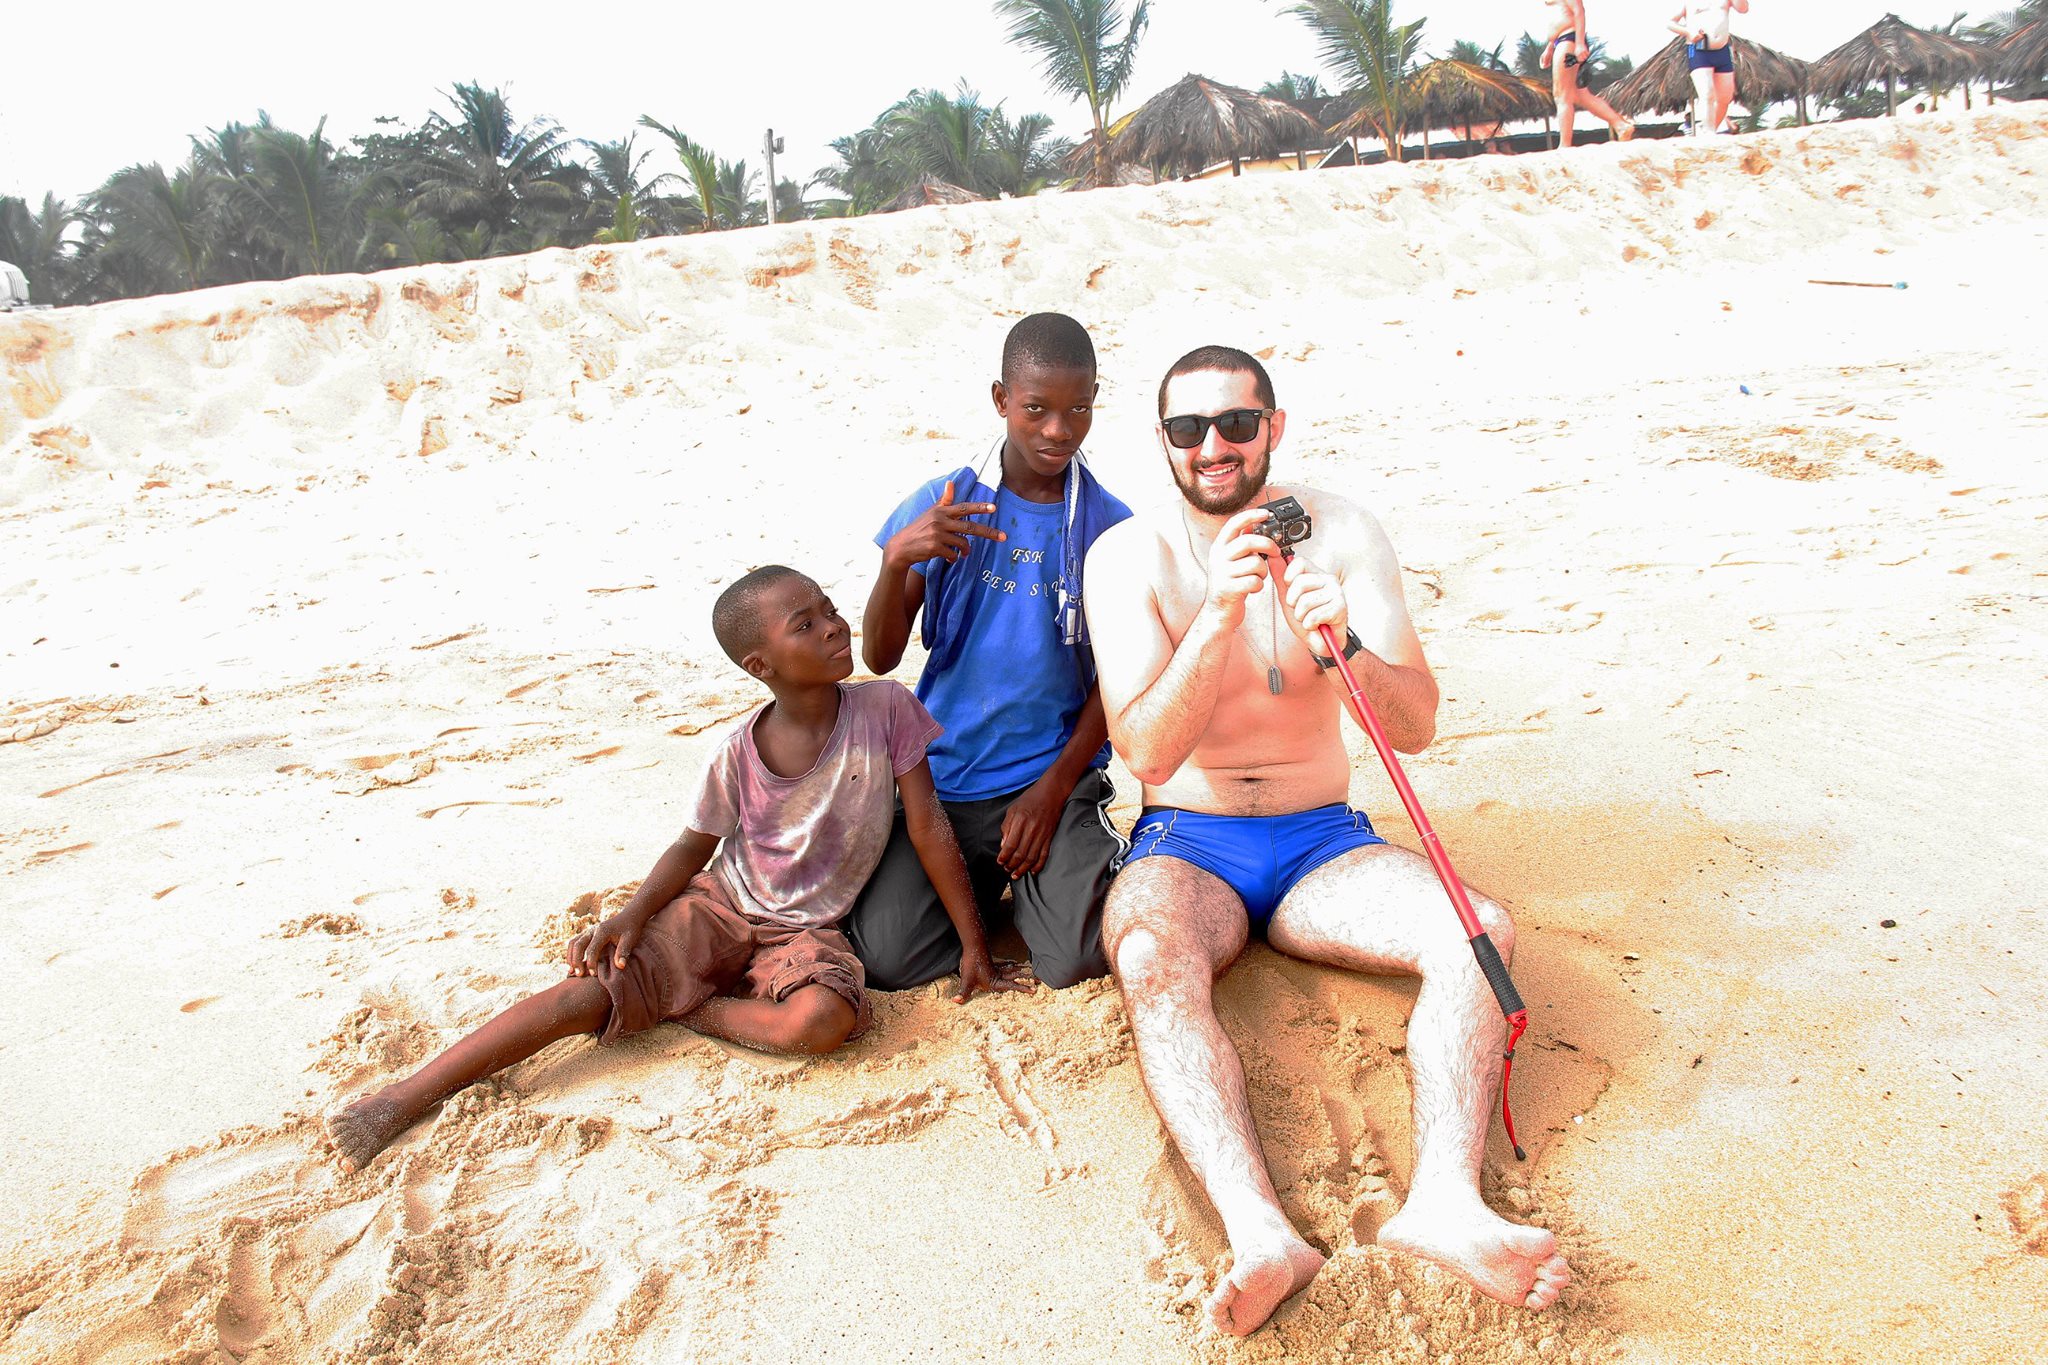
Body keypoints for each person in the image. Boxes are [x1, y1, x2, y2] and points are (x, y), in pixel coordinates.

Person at [1082, 347, 1571, 1336]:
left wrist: (1342, 644)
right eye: (1187, 429)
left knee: (1479, 931)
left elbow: (1412, 725)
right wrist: (1218, 614)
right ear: (1163, 441)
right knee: (1147, 956)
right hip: (1187, 839)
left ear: (1273, 425)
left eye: (1235, 423)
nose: (1212, 447)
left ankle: (1444, 1202)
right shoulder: (1129, 557)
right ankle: (1260, 1230)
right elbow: (1145, 748)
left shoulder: (1344, 534)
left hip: (1321, 842)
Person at [324, 565, 1023, 1173]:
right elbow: (692, 847)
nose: (835, 627)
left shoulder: (887, 708)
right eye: (805, 624)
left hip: (808, 929)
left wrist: (973, 943)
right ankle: (405, 1096)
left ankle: (690, 1007)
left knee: (821, 1022)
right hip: (721, 906)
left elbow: (928, 826)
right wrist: (632, 913)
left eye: (830, 610)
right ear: (761, 665)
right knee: (587, 995)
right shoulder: (737, 753)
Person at [849, 312, 1133, 991]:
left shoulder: (1109, 527)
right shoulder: (946, 502)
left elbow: (1118, 679)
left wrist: (1053, 790)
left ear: (1095, 400)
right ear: (1002, 399)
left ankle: (1064, 871)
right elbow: (881, 658)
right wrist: (896, 562)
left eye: (1078, 409)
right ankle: (1005, 890)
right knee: (889, 958)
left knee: (1076, 960)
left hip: (1048, 777)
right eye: (1036, 408)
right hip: (944, 778)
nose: (1058, 430)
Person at [1541, 0, 1636, 148]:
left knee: (1561, 95)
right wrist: (1550, 47)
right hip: (1564, 41)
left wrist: (1579, 44)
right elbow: (1560, 15)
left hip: (1570, 41)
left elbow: (1579, 11)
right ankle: (1620, 125)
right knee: (1580, 95)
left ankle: (1565, 145)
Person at [1672, 0, 1751, 135]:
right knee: (1707, 93)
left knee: (1725, 98)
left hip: (1721, 49)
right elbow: (1670, 22)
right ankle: (1708, 131)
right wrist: (1688, 31)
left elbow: (1743, 9)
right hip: (1698, 49)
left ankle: (1709, 129)